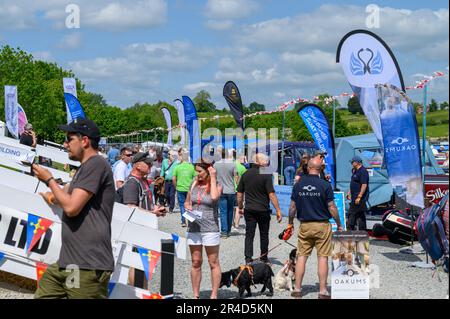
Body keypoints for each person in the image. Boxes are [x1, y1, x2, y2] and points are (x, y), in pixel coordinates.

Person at [32, 119, 114, 299]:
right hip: (70, 263)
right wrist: (49, 196)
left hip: (87, 265)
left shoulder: (97, 164)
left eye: (69, 139)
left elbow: (71, 207)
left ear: (84, 141)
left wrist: (49, 179)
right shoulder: (84, 169)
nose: (65, 144)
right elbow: (63, 195)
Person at [287, 155, 343, 299]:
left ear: (308, 167)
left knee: (301, 257)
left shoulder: (298, 185)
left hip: (305, 225)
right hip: (322, 225)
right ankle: (323, 291)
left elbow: (292, 207)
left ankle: (298, 289)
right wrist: (338, 223)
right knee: (323, 258)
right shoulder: (325, 185)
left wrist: (290, 222)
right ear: (319, 169)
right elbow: (332, 207)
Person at [122, 152, 166, 289]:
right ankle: (136, 293)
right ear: (137, 166)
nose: (151, 166)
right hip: (136, 230)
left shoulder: (142, 181)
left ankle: (143, 291)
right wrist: (152, 213)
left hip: (144, 230)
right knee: (136, 264)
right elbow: (130, 207)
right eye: (148, 164)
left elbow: (145, 203)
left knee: (143, 265)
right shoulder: (132, 183)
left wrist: (155, 209)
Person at [184, 162, 222, 299]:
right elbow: (187, 202)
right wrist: (188, 207)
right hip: (194, 227)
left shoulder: (216, 185)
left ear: (208, 171)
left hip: (210, 227)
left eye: (200, 171)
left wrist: (213, 177)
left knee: (213, 262)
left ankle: (214, 294)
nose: (197, 174)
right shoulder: (194, 184)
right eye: (196, 171)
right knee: (195, 261)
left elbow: (213, 198)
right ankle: (195, 295)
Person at [237, 153, 283, 264]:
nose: (267, 163)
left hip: (250, 209)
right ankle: (263, 257)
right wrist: (278, 210)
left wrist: (240, 206)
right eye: (266, 161)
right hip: (263, 209)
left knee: (249, 235)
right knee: (264, 234)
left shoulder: (246, 174)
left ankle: (248, 258)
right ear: (260, 162)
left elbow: (239, 193)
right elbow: (271, 194)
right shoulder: (266, 175)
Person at [214, 148, 239, 238]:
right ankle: (228, 230)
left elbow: (214, 177)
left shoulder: (216, 164)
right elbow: (236, 176)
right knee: (230, 210)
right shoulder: (232, 164)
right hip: (231, 190)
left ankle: (224, 232)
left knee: (223, 211)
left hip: (221, 190)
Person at [173, 149, 196, 227]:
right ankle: (189, 221)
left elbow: (173, 178)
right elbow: (195, 177)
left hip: (180, 188)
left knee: (182, 205)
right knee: (190, 204)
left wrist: (176, 186)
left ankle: (183, 221)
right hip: (189, 189)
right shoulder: (191, 167)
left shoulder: (177, 167)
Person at [346, 156, 369, 231]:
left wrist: (359, 196)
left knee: (351, 214)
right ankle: (362, 232)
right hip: (354, 197)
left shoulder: (363, 171)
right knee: (360, 215)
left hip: (359, 198)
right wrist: (349, 192)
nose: (351, 163)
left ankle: (349, 232)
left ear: (356, 162)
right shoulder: (356, 171)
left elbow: (364, 184)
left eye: (352, 162)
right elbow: (353, 182)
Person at [233, 153, 247, 230]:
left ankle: (231, 224)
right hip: (239, 190)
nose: (245, 161)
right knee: (239, 207)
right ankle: (237, 225)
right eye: (244, 159)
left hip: (229, 189)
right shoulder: (242, 168)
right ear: (240, 158)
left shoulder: (231, 165)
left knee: (231, 208)